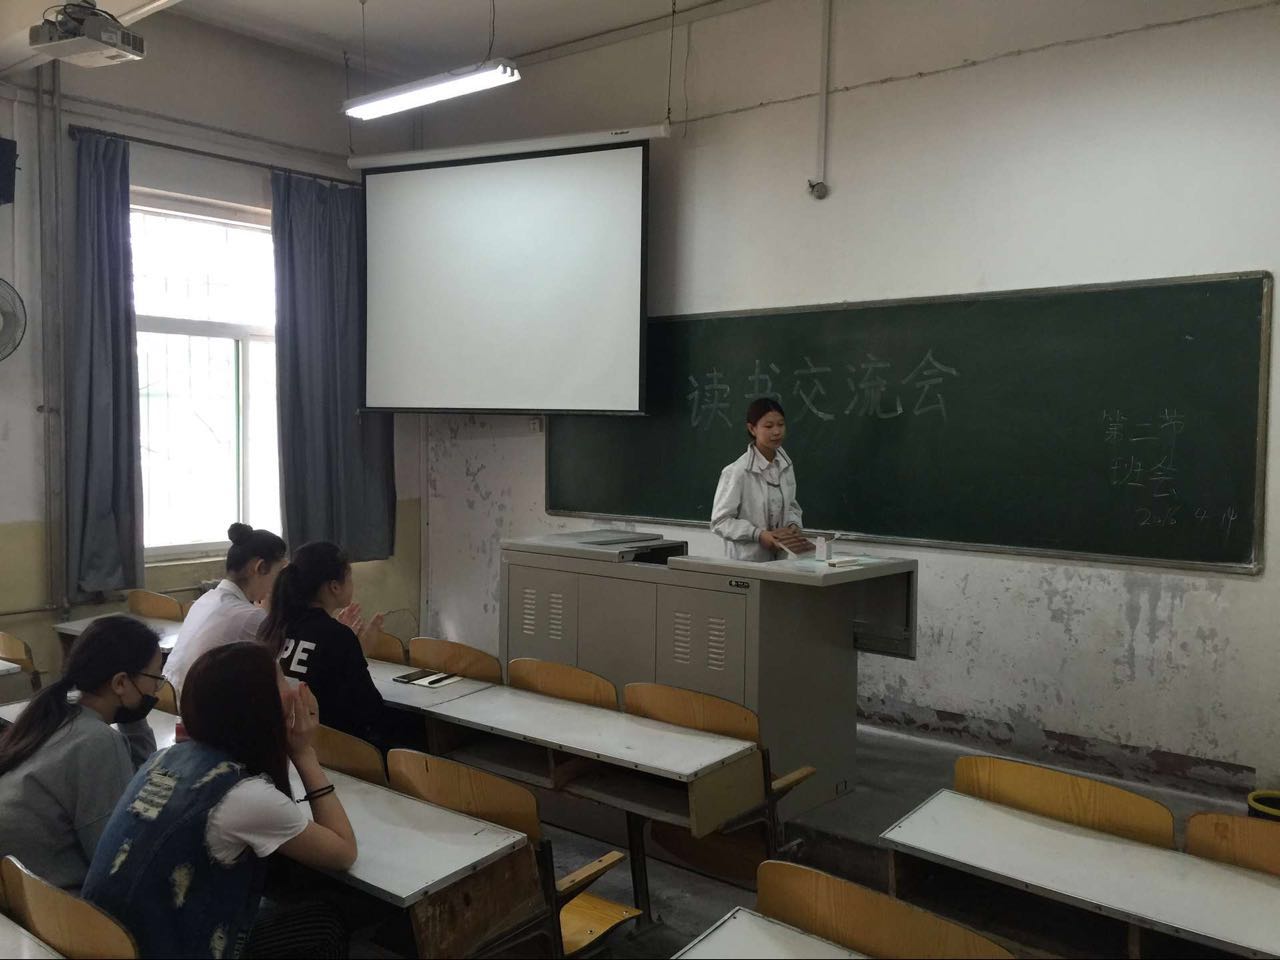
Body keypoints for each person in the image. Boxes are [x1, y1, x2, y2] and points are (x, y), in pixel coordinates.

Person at [83, 641, 356, 959]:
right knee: (325, 923)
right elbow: (343, 853)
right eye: (282, 681)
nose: (294, 690)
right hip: (164, 948)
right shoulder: (244, 796)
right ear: (258, 704)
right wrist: (303, 752)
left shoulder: (167, 757)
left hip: (107, 940)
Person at [0, 616, 162, 889]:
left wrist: (134, 719)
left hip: (20, 893)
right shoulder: (97, 741)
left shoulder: (54, 712)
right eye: (155, 677)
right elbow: (115, 862)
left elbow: (135, 788)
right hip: (54, 899)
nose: (157, 688)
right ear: (120, 683)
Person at [259, 541, 391, 748]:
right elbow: (370, 708)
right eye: (349, 578)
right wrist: (357, 649)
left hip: (281, 742)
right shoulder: (335, 636)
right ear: (335, 586)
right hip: (333, 746)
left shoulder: (270, 627)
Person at [163, 523, 287, 701]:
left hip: (168, 697)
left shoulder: (206, 599)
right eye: (279, 571)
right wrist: (269, 612)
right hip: (195, 706)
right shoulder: (252, 616)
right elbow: (276, 672)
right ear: (260, 567)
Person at [711, 397, 812, 561]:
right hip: (746, 564)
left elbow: (791, 506)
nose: (777, 432)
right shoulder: (737, 471)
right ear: (752, 429)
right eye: (769, 426)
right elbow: (720, 522)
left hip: (780, 563)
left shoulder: (785, 466)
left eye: (781, 424)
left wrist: (793, 525)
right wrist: (758, 534)